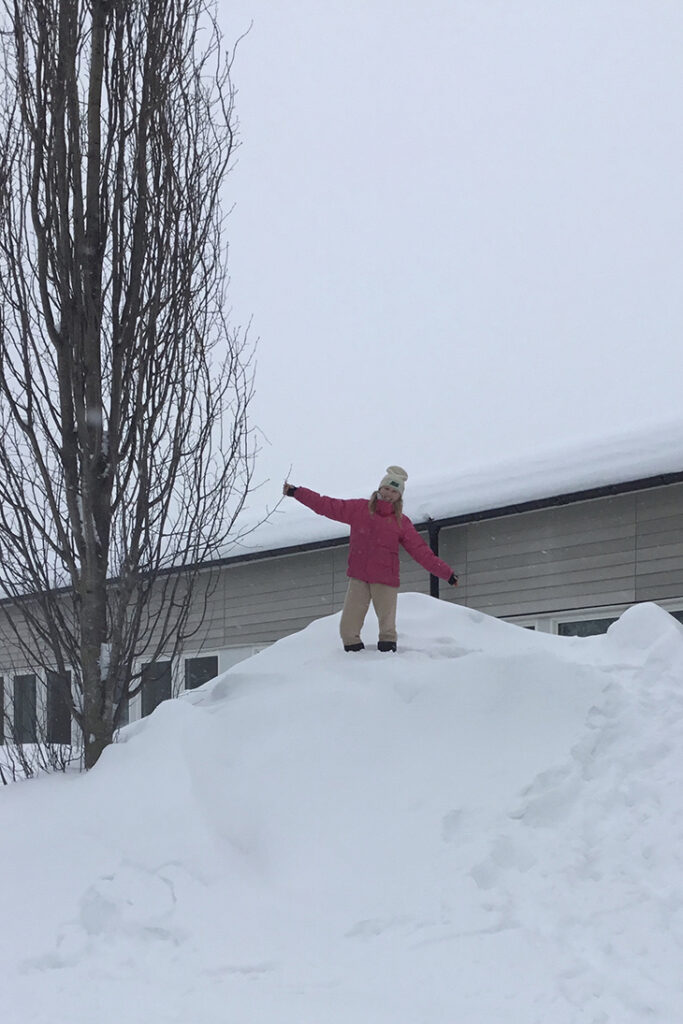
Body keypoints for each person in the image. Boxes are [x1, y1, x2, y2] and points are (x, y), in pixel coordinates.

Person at [283, 466, 459, 653]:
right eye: (387, 488)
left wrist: (447, 574)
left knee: (387, 629)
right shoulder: (359, 509)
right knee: (348, 629)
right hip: (359, 577)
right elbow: (327, 505)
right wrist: (297, 493)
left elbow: (421, 552)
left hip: (386, 580)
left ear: (399, 496)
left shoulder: (401, 522)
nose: (389, 493)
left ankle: (389, 663)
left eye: (394, 491)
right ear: (379, 488)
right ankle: (353, 665)